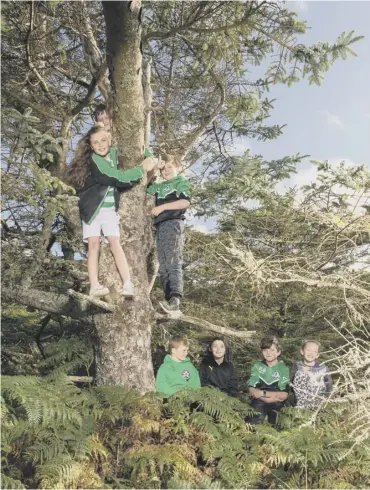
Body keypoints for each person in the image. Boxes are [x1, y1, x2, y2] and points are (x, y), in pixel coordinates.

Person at [68, 125, 156, 298]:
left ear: (109, 138)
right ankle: (94, 286)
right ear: (90, 146)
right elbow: (116, 178)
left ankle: (128, 284)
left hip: (109, 210)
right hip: (92, 209)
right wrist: (141, 169)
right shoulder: (95, 160)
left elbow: (142, 149)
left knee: (115, 242)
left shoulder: (115, 153)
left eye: (103, 140)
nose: (100, 145)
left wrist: (149, 157)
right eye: (95, 142)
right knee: (93, 245)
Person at [146, 155, 190, 313]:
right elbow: (145, 185)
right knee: (163, 265)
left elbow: (185, 202)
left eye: (170, 167)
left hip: (173, 223)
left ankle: (175, 299)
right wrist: (155, 168)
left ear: (178, 168)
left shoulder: (180, 182)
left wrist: (162, 208)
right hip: (160, 226)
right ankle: (168, 298)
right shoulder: (159, 185)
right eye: (164, 168)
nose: (166, 171)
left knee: (173, 261)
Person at [246, 336, 289, 426]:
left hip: (277, 400)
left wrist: (263, 393)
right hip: (259, 400)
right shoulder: (257, 366)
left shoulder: (283, 368)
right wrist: (263, 398)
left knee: (279, 425)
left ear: (278, 352)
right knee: (252, 422)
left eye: (272, 350)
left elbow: (284, 395)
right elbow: (251, 389)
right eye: (265, 350)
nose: (268, 353)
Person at [291, 340, 333, 411]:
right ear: (302, 351)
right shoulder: (297, 366)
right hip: (301, 405)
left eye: (314, 351)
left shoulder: (323, 368)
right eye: (308, 350)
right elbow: (291, 385)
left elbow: (329, 386)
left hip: (318, 405)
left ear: (317, 355)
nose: (311, 353)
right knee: (300, 374)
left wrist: (325, 400)